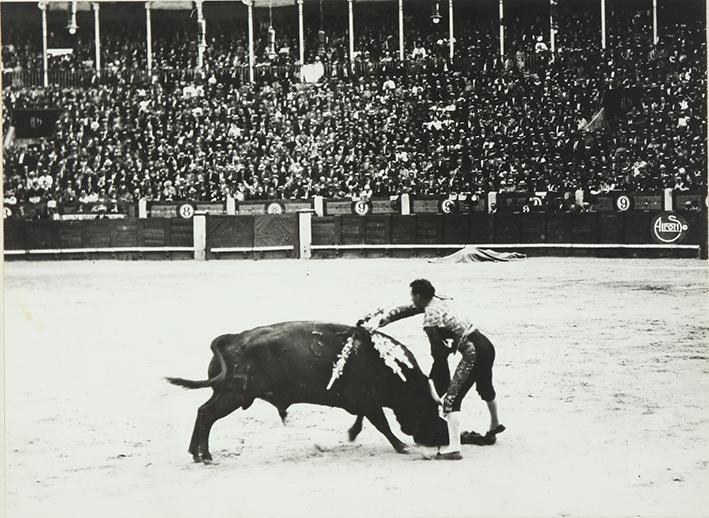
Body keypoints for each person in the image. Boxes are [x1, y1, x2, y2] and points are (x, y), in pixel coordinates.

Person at [358, 279, 504, 460]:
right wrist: (385, 319)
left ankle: (454, 448)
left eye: (412, 295)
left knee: (451, 399)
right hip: (486, 345)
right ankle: (495, 424)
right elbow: (411, 308)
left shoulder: (430, 317)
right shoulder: (440, 300)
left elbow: (438, 353)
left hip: (473, 352)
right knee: (485, 387)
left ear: (419, 296)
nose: (411, 299)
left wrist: (435, 382)